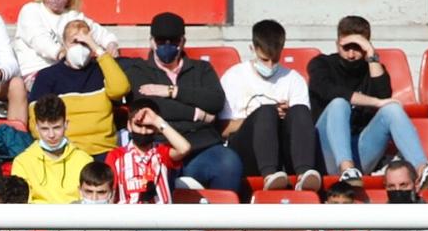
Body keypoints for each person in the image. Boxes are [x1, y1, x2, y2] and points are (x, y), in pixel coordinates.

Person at [118, 12, 244, 194]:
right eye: (161, 41)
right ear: (152, 42)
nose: (167, 46)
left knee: (228, 162)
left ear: (182, 42)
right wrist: (198, 114)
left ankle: (223, 222)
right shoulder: (139, 71)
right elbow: (152, 108)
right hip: (160, 148)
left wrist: (172, 91)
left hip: (202, 146)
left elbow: (215, 101)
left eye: (173, 41)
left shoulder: (202, 69)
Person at [309, 15, 428, 184]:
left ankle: (422, 170)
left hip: (360, 150)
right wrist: (374, 102)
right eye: (346, 48)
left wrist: (372, 56)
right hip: (327, 151)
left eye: (358, 48)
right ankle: (347, 169)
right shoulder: (321, 64)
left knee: (392, 109)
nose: (351, 54)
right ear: (337, 44)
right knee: (339, 103)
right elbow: (331, 91)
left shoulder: (373, 69)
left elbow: (384, 97)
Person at [221, 20, 321, 192]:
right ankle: (269, 175)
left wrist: (285, 117)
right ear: (252, 49)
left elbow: (302, 124)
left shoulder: (293, 79)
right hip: (245, 149)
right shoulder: (233, 77)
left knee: (299, 111)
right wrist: (264, 117)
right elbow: (223, 129)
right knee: (266, 112)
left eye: (275, 60)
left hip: (283, 148)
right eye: (264, 59)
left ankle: (304, 174)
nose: (269, 66)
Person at [26, 19, 128, 156]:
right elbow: (35, 121)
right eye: (74, 42)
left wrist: (97, 49)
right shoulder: (47, 76)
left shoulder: (103, 70)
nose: (80, 47)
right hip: (65, 152)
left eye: (84, 42)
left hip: (103, 150)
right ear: (64, 44)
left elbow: (120, 89)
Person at [14, 0, 117, 78]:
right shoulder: (31, 10)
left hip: (67, 72)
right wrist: (63, 53)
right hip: (36, 71)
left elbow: (102, 35)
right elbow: (40, 41)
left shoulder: (73, 16)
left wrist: (111, 45)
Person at [12, 96, 92, 203]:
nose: (51, 135)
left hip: (73, 218)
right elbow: (23, 206)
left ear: (66, 124)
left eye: (56, 127)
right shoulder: (22, 162)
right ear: (36, 127)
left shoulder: (84, 160)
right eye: (44, 129)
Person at [106, 101, 190, 203]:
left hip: (161, 216)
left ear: (156, 129)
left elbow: (184, 148)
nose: (143, 132)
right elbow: (111, 194)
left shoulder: (161, 152)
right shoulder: (116, 156)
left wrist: (157, 121)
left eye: (149, 127)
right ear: (129, 125)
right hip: (128, 217)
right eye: (138, 125)